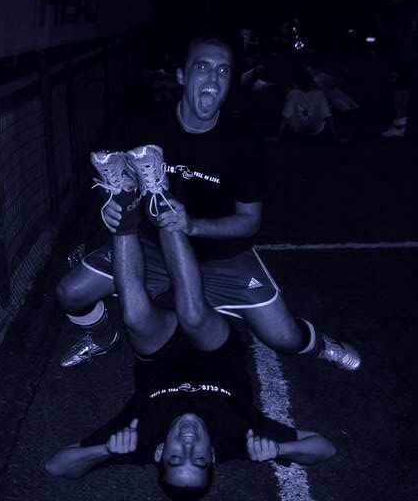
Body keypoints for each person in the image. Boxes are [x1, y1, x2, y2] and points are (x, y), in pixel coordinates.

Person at [57, 35, 360, 373]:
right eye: (202, 67)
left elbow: (249, 221)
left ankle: (322, 345)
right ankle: (101, 336)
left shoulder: (242, 141)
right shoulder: (145, 125)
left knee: (284, 338)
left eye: (223, 71)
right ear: (182, 75)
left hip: (221, 254)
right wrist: (110, 205)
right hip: (152, 247)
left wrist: (193, 225)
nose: (213, 79)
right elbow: (117, 179)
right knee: (70, 292)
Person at [46, 180, 336, 500]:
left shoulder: (139, 439)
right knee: (193, 315)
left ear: (159, 453)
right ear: (211, 456)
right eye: (198, 459)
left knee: (135, 318)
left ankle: (124, 204)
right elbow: (324, 449)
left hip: (158, 352)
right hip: (216, 349)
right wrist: (281, 449)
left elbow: (57, 466)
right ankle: (159, 195)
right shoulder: (239, 438)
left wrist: (104, 450)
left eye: (175, 458)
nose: (187, 445)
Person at [377, 0, 417, 138]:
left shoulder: (400, 13)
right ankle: (401, 123)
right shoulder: (409, 12)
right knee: (403, 88)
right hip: (408, 55)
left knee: (397, 89)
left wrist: (382, 28)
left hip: (399, 56)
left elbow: (397, 36)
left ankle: (399, 124)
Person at [271, 67, 340, 143]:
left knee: (289, 111)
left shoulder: (292, 94)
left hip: (298, 129)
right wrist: (334, 135)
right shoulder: (320, 94)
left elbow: (285, 117)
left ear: (296, 83)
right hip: (316, 129)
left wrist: (278, 136)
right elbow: (328, 116)